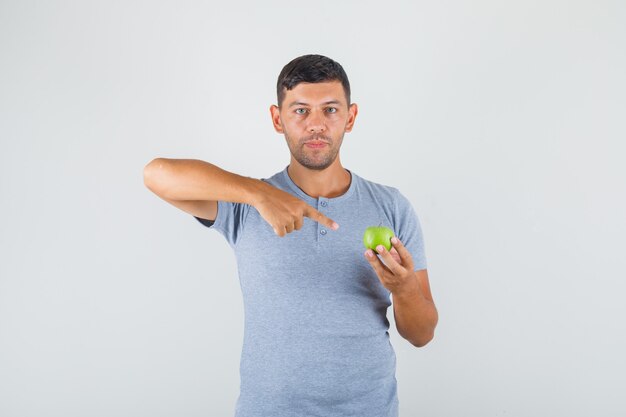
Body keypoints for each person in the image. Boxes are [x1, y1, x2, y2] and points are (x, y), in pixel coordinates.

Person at [143, 54, 438, 417]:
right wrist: (258, 193)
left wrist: (404, 288)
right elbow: (155, 175)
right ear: (277, 119)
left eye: (330, 110)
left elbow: (422, 334)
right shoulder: (245, 206)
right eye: (300, 111)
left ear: (351, 117)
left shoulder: (392, 206)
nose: (316, 124)